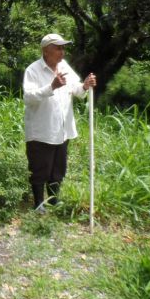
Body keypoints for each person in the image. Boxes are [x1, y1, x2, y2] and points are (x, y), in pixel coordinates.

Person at [23, 33, 97, 214]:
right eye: (58, 48)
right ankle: (38, 204)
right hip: (41, 130)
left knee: (58, 168)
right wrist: (52, 87)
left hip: (62, 129)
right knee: (40, 168)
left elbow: (76, 90)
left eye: (63, 48)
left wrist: (85, 85)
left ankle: (53, 201)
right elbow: (29, 97)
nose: (62, 52)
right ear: (45, 51)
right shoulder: (33, 70)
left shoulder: (64, 66)